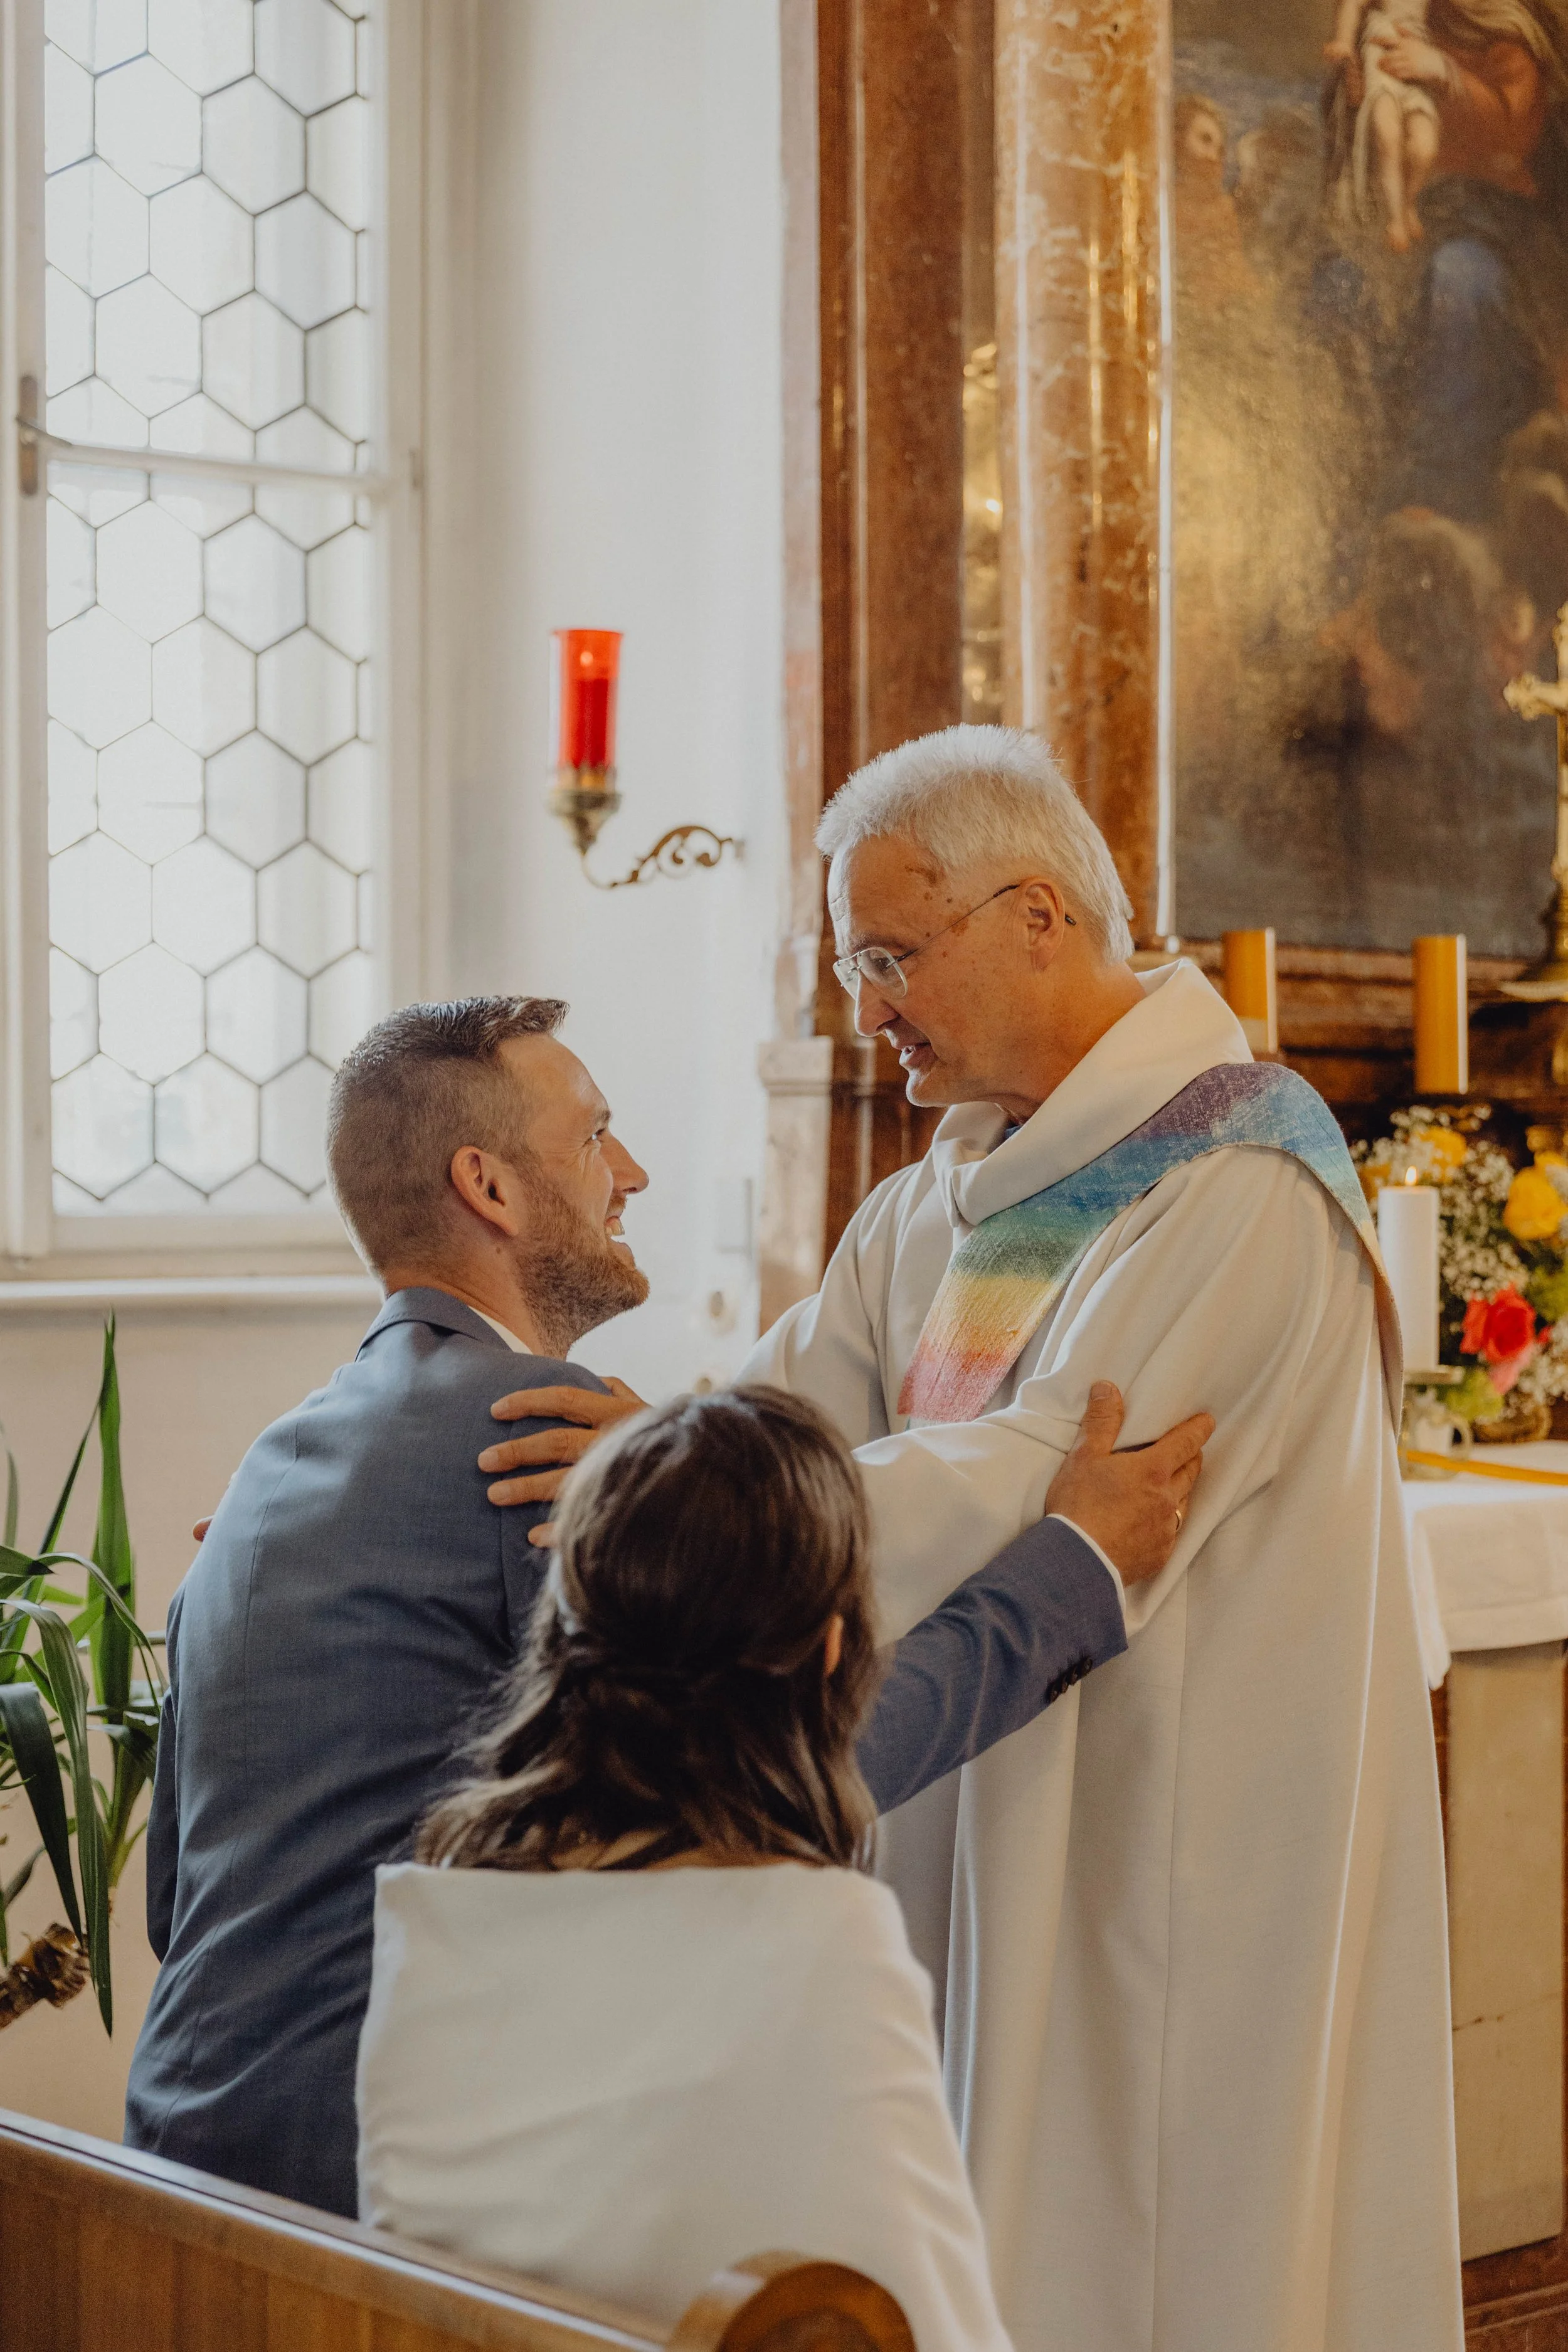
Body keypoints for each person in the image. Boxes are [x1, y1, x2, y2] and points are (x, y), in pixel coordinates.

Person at [486, 729, 1461, 2352]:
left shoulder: (1238, 1176)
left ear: (1034, 916)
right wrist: (651, 1455)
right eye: (849, 960)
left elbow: (1053, 1462)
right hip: (976, 1787)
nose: (863, 1008)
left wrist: (659, 1484)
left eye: (886, 955)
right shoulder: (940, 1193)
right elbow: (791, 1408)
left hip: (1166, 1825)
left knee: (1151, 2230)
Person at [123, 992, 1209, 2220]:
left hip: (171, 2162)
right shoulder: (526, 1447)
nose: (630, 1171)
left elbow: (179, 1904)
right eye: (594, 1137)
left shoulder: (275, 1464)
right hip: (381, 2198)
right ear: (487, 1185)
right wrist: (1068, 1570)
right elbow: (787, 1772)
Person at [358, 1387, 1014, 2348]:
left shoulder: (434, 1920)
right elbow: (942, 2329)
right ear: (831, 1655)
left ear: (566, 1639)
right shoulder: (824, 1945)